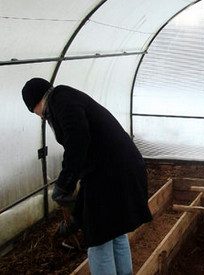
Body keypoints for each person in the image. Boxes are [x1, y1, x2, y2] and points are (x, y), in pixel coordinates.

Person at [22, 78, 152, 275]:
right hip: (122, 169)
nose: (39, 116)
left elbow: (78, 142)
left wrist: (64, 183)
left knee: (98, 237)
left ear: (36, 103)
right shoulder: (67, 97)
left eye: (35, 112)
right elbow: (84, 147)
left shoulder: (60, 101)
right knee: (115, 231)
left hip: (109, 175)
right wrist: (76, 212)